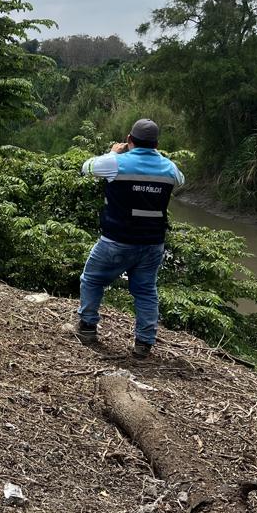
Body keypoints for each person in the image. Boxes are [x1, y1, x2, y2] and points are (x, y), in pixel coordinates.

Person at [74, 118, 185, 358]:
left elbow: (87, 167)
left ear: (129, 139)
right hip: (152, 244)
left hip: (116, 240)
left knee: (92, 279)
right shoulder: (169, 168)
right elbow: (181, 180)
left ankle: (88, 327)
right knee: (145, 291)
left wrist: (113, 152)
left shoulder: (115, 162)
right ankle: (144, 343)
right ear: (157, 144)